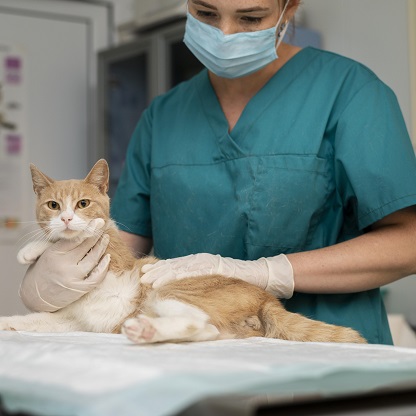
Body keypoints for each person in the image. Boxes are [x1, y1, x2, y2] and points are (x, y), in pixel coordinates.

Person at [20, 0, 416, 345]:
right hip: (189, 346)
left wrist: (267, 272)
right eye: (206, 13)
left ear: (288, 9)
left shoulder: (350, 91)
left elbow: (408, 241)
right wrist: (56, 276)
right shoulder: (163, 115)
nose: (224, 33)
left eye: (250, 18)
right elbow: (124, 243)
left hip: (319, 345)